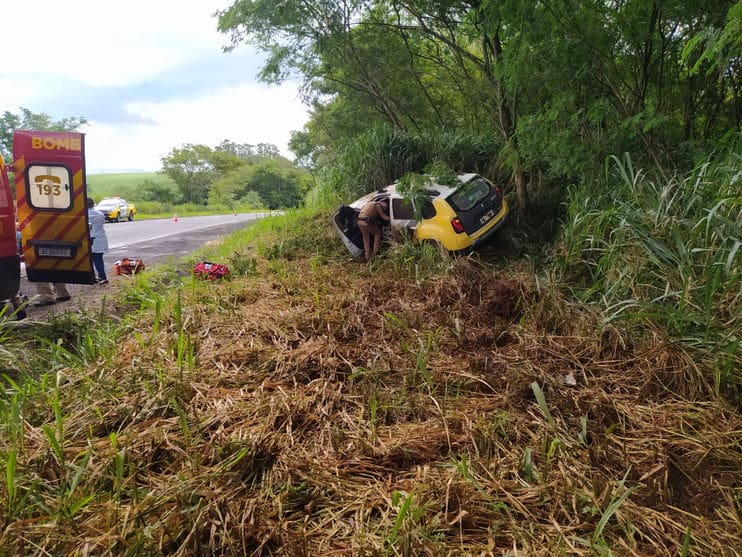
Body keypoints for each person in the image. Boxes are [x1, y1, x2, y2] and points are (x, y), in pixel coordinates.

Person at [357, 198, 390, 262]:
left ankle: (367, 257)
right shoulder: (377, 205)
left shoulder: (369, 203)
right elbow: (383, 216)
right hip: (366, 222)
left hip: (359, 222)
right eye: (384, 208)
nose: (383, 209)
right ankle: (376, 252)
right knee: (378, 233)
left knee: (366, 238)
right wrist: (391, 219)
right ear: (382, 204)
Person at [87, 197, 109, 284]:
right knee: (98, 259)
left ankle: (93, 277)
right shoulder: (100, 214)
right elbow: (102, 223)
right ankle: (102, 276)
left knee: (89, 260)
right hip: (99, 239)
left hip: (89, 239)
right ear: (93, 204)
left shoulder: (84, 214)